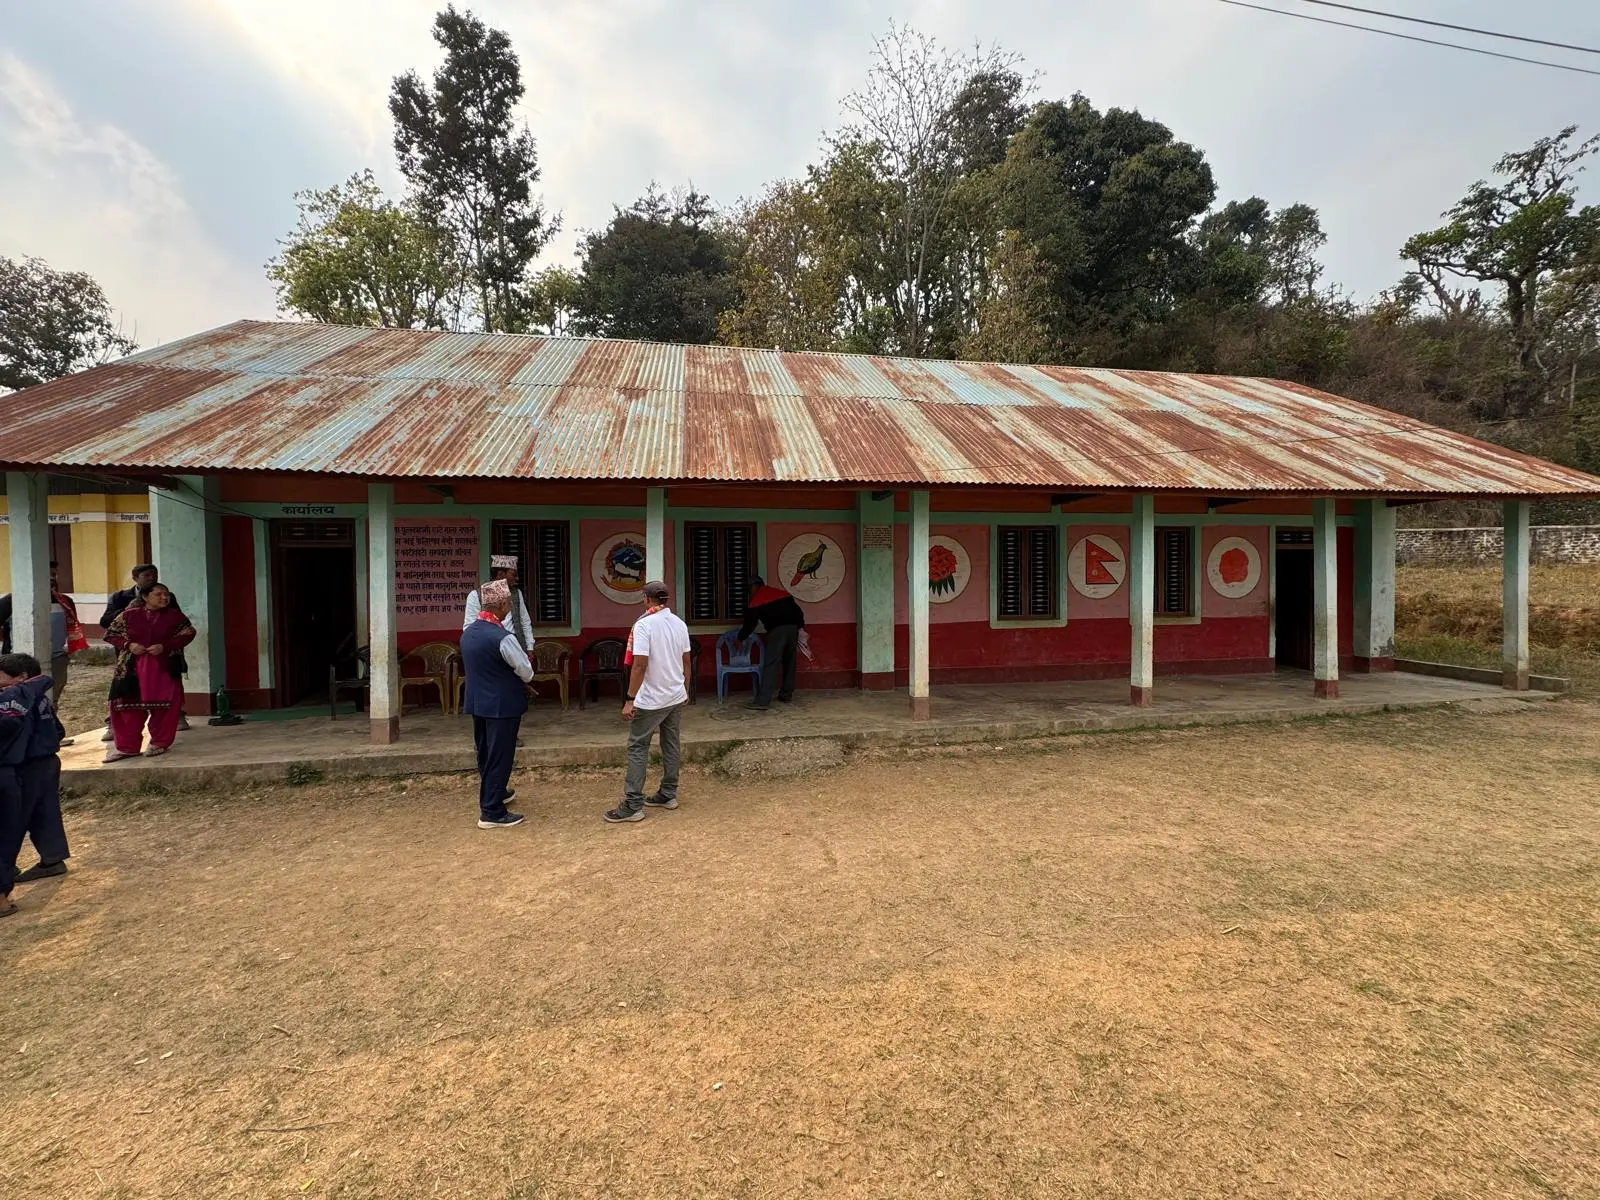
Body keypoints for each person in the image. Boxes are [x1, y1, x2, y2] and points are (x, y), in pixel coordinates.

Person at [605, 579, 691, 824]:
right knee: (671, 743)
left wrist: (630, 698)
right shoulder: (679, 624)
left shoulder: (644, 625)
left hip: (652, 698)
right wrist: (685, 689)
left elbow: (640, 664)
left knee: (638, 747)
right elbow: (686, 661)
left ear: (646, 599)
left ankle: (633, 804)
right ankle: (668, 793)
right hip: (674, 694)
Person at [460, 578, 533, 829]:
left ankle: (496, 792)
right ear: (501, 604)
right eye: (508, 604)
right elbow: (526, 670)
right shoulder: (503, 637)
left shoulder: (469, 634)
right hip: (503, 705)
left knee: (486, 753)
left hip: (478, 703)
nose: (510, 608)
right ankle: (491, 811)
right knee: (500, 755)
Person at [0, 654, 63, 918]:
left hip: (28, 765)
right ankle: (51, 857)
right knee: (44, 813)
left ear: (20, 678)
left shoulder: (15, 700)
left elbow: (18, 734)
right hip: (46, 760)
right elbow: (58, 730)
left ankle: (6, 876)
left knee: (14, 825)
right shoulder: (38, 696)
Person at [103, 583, 195, 762]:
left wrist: (165, 646)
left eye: (166, 594)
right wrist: (129, 645)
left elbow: (188, 633)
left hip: (163, 666)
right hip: (131, 667)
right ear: (145, 597)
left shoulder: (174, 616)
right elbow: (110, 634)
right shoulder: (129, 615)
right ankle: (127, 747)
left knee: (165, 706)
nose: (164, 598)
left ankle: (159, 743)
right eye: (159, 594)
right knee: (126, 706)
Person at [0, 562, 88, 707]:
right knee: (20, 700)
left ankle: (48, 724)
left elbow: (71, 627)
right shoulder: (11, 601)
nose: (51, 578)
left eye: (53, 574)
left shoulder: (65, 601)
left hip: (57, 659)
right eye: (46, 574)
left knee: (51, 699)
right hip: (19, 661)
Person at [737, 575, 806, 711]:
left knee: (771, 664)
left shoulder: (757, 599)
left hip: (777, 631)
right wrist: (799, 627)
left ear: (754, 587)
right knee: (789, 662)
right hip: (793, 629)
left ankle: (762, 701)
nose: (749, 592)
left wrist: (740, 638)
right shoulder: (782, 593)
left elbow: (750, 624)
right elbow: (799, 612)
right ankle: (786, 694)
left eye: (749, 589)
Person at [464, 556, 535, 651]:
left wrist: (530, 647)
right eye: (513, 574)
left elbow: (524, 621)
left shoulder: (516, 594)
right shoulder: (475, 595)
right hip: (489, 647)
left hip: (515, 647)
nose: (517, 578)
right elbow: (469, 627)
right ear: (501, 574)